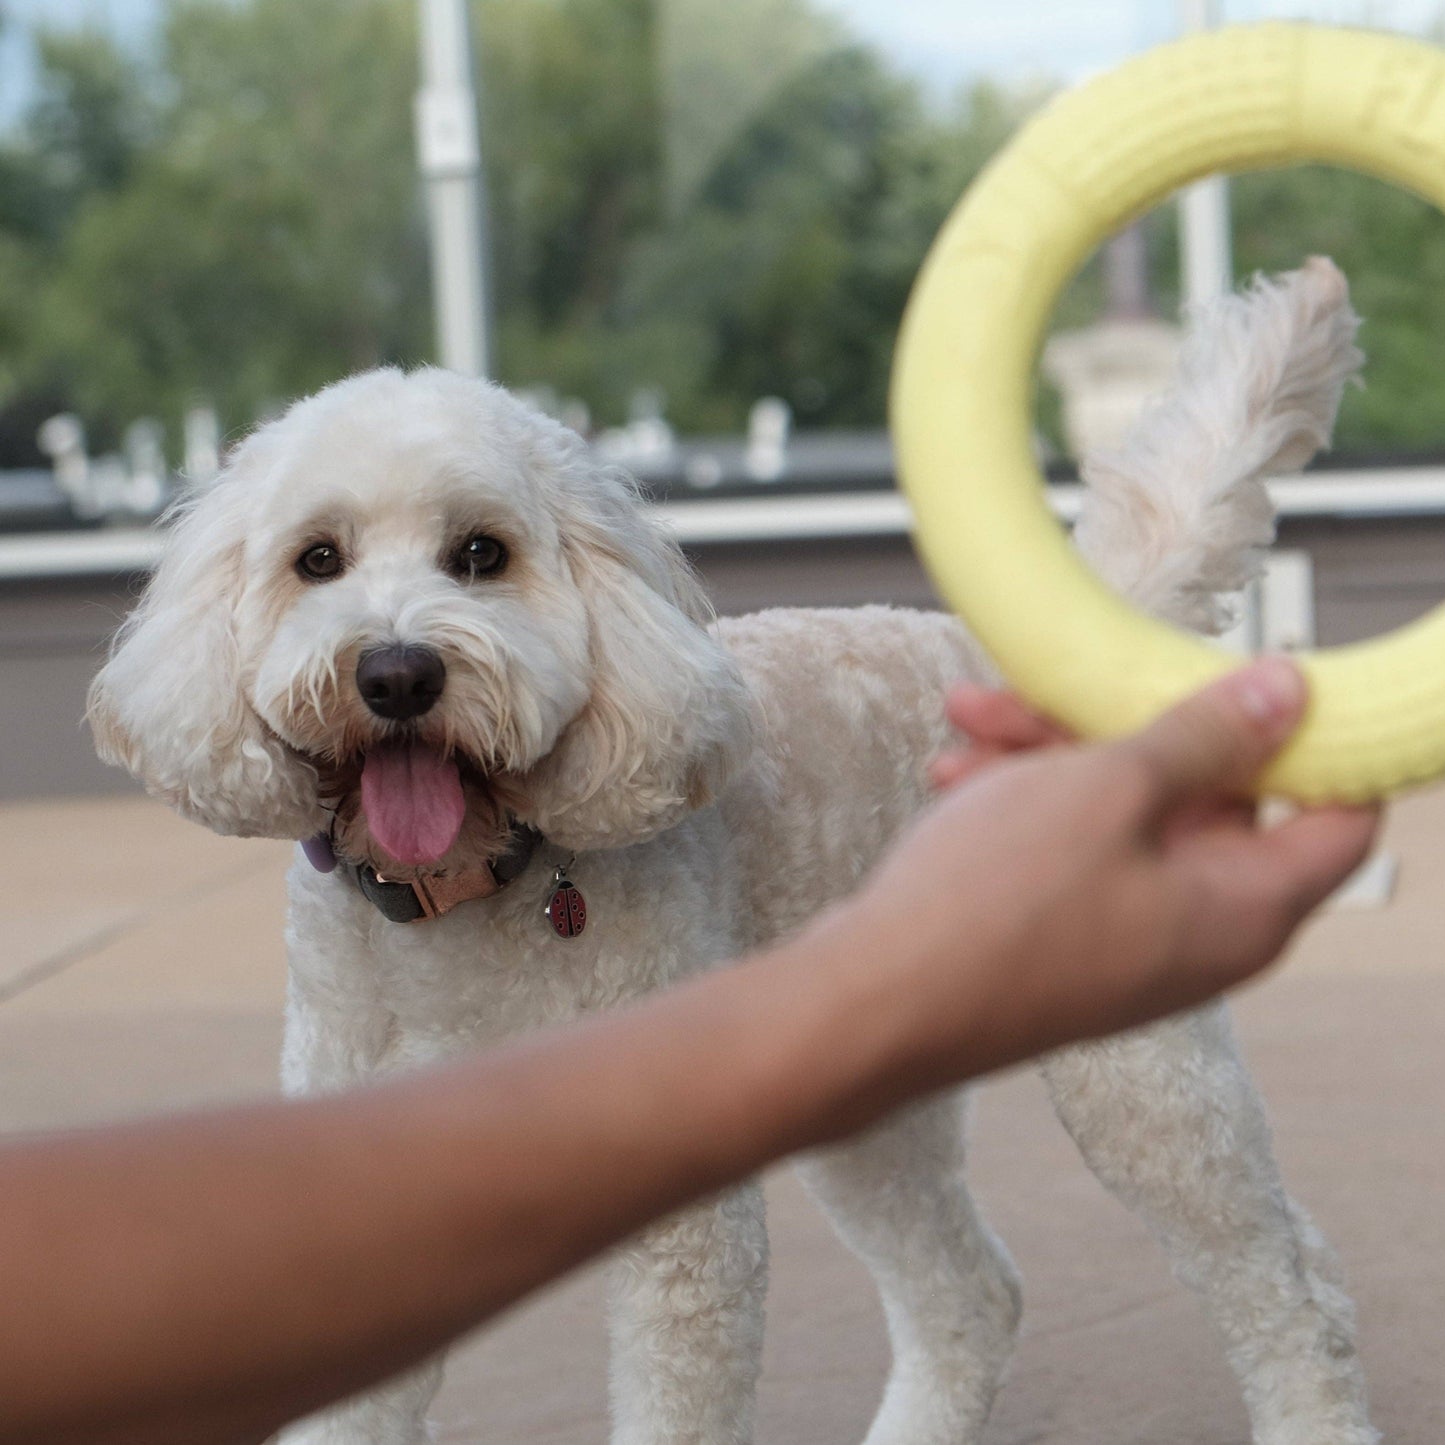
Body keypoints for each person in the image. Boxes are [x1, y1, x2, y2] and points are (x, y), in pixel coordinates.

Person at [0, 657, 1377, 1445]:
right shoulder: (328, 910)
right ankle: (955, 1334)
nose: (397, 645)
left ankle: (1305, 1381)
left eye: (480, 558)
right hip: (388, 938)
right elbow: (313, 1277)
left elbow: (678, 1257)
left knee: (1161, 1135)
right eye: (319, 563)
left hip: (914, 752)